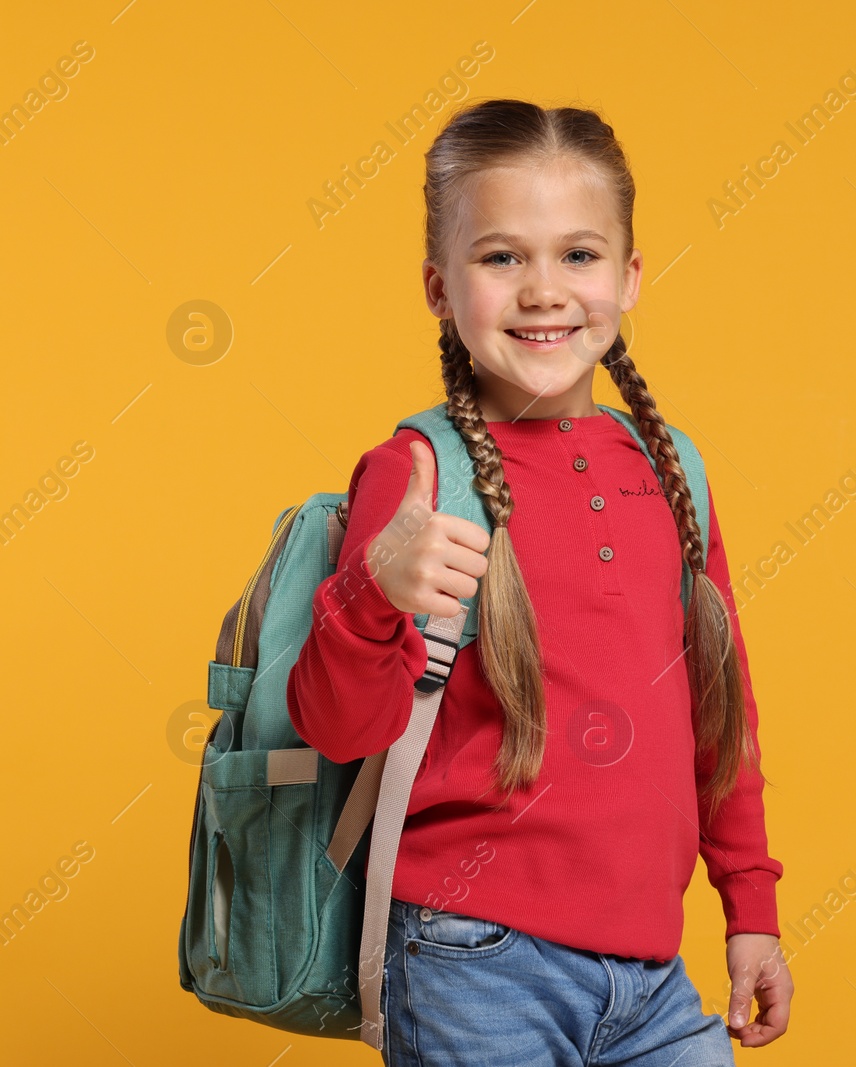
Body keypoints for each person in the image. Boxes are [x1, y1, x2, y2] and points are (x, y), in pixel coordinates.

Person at [285, 98, 792, 1065]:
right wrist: (375, 594)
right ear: (440, 286)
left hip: (652, 975)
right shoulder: (417, 471)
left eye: (579, 255)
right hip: (472, 960)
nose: (544, 291)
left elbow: (722, 713)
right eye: (502, 257)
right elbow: (337, 727)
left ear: (632, 276)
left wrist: (749, 905)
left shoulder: (671, 464)